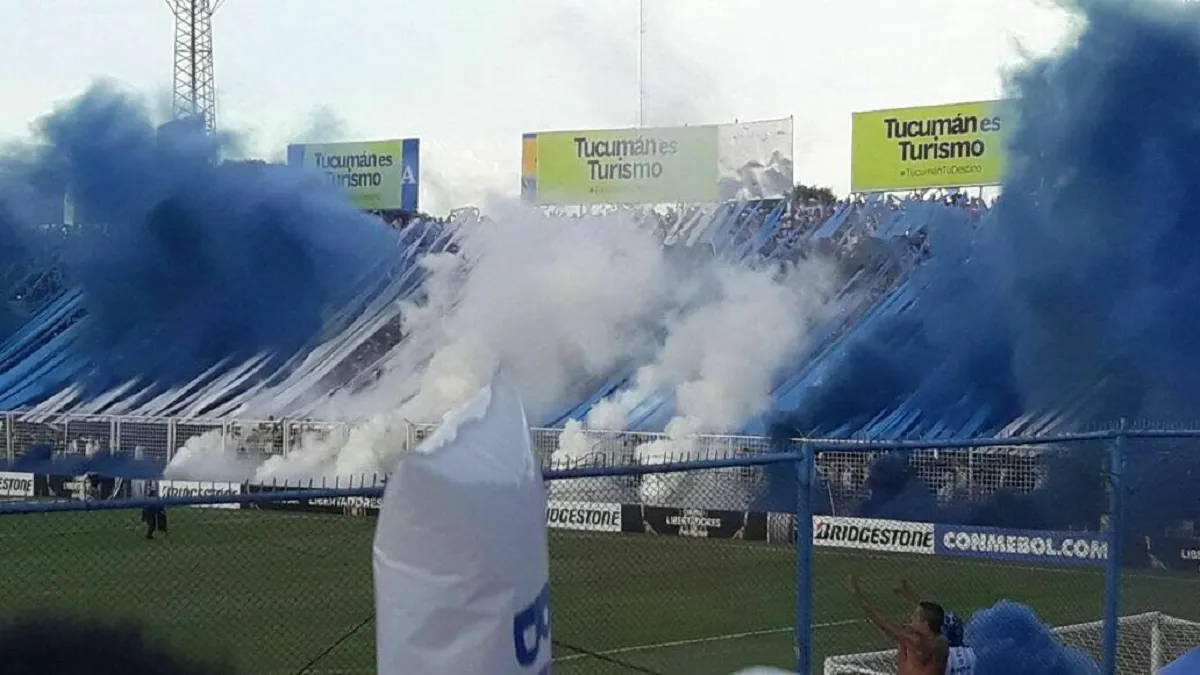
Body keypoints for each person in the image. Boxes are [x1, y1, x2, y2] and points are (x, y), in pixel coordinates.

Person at [845, 575, 975, 675]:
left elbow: (885, 624)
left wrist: (858, 595)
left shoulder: (918, 642)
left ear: (924, 623)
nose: (911, 618)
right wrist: (906, 593)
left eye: (915, 617)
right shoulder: (940, 640)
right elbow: (928, 614)